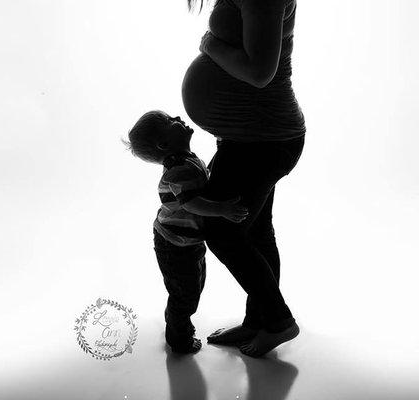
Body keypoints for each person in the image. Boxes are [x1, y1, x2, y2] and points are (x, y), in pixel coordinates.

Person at [181, 0, 307, 357]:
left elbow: (259, 73)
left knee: (220, 229)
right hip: (254, 138)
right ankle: (260, 321)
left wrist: (211, 46)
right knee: (255, 232)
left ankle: (279, 322)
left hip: (262, 140)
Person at [123, 110, 249, 354]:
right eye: (171, 121)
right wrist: (222, 209)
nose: (179, 118)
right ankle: (179, 339)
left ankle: (176, 319)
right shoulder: (178, 169)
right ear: (164, 143)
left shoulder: (186, 159)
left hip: (186, 240)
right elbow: (192, 202)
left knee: (193, 285)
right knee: (185, 294)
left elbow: (203, 182)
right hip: (174, 243)